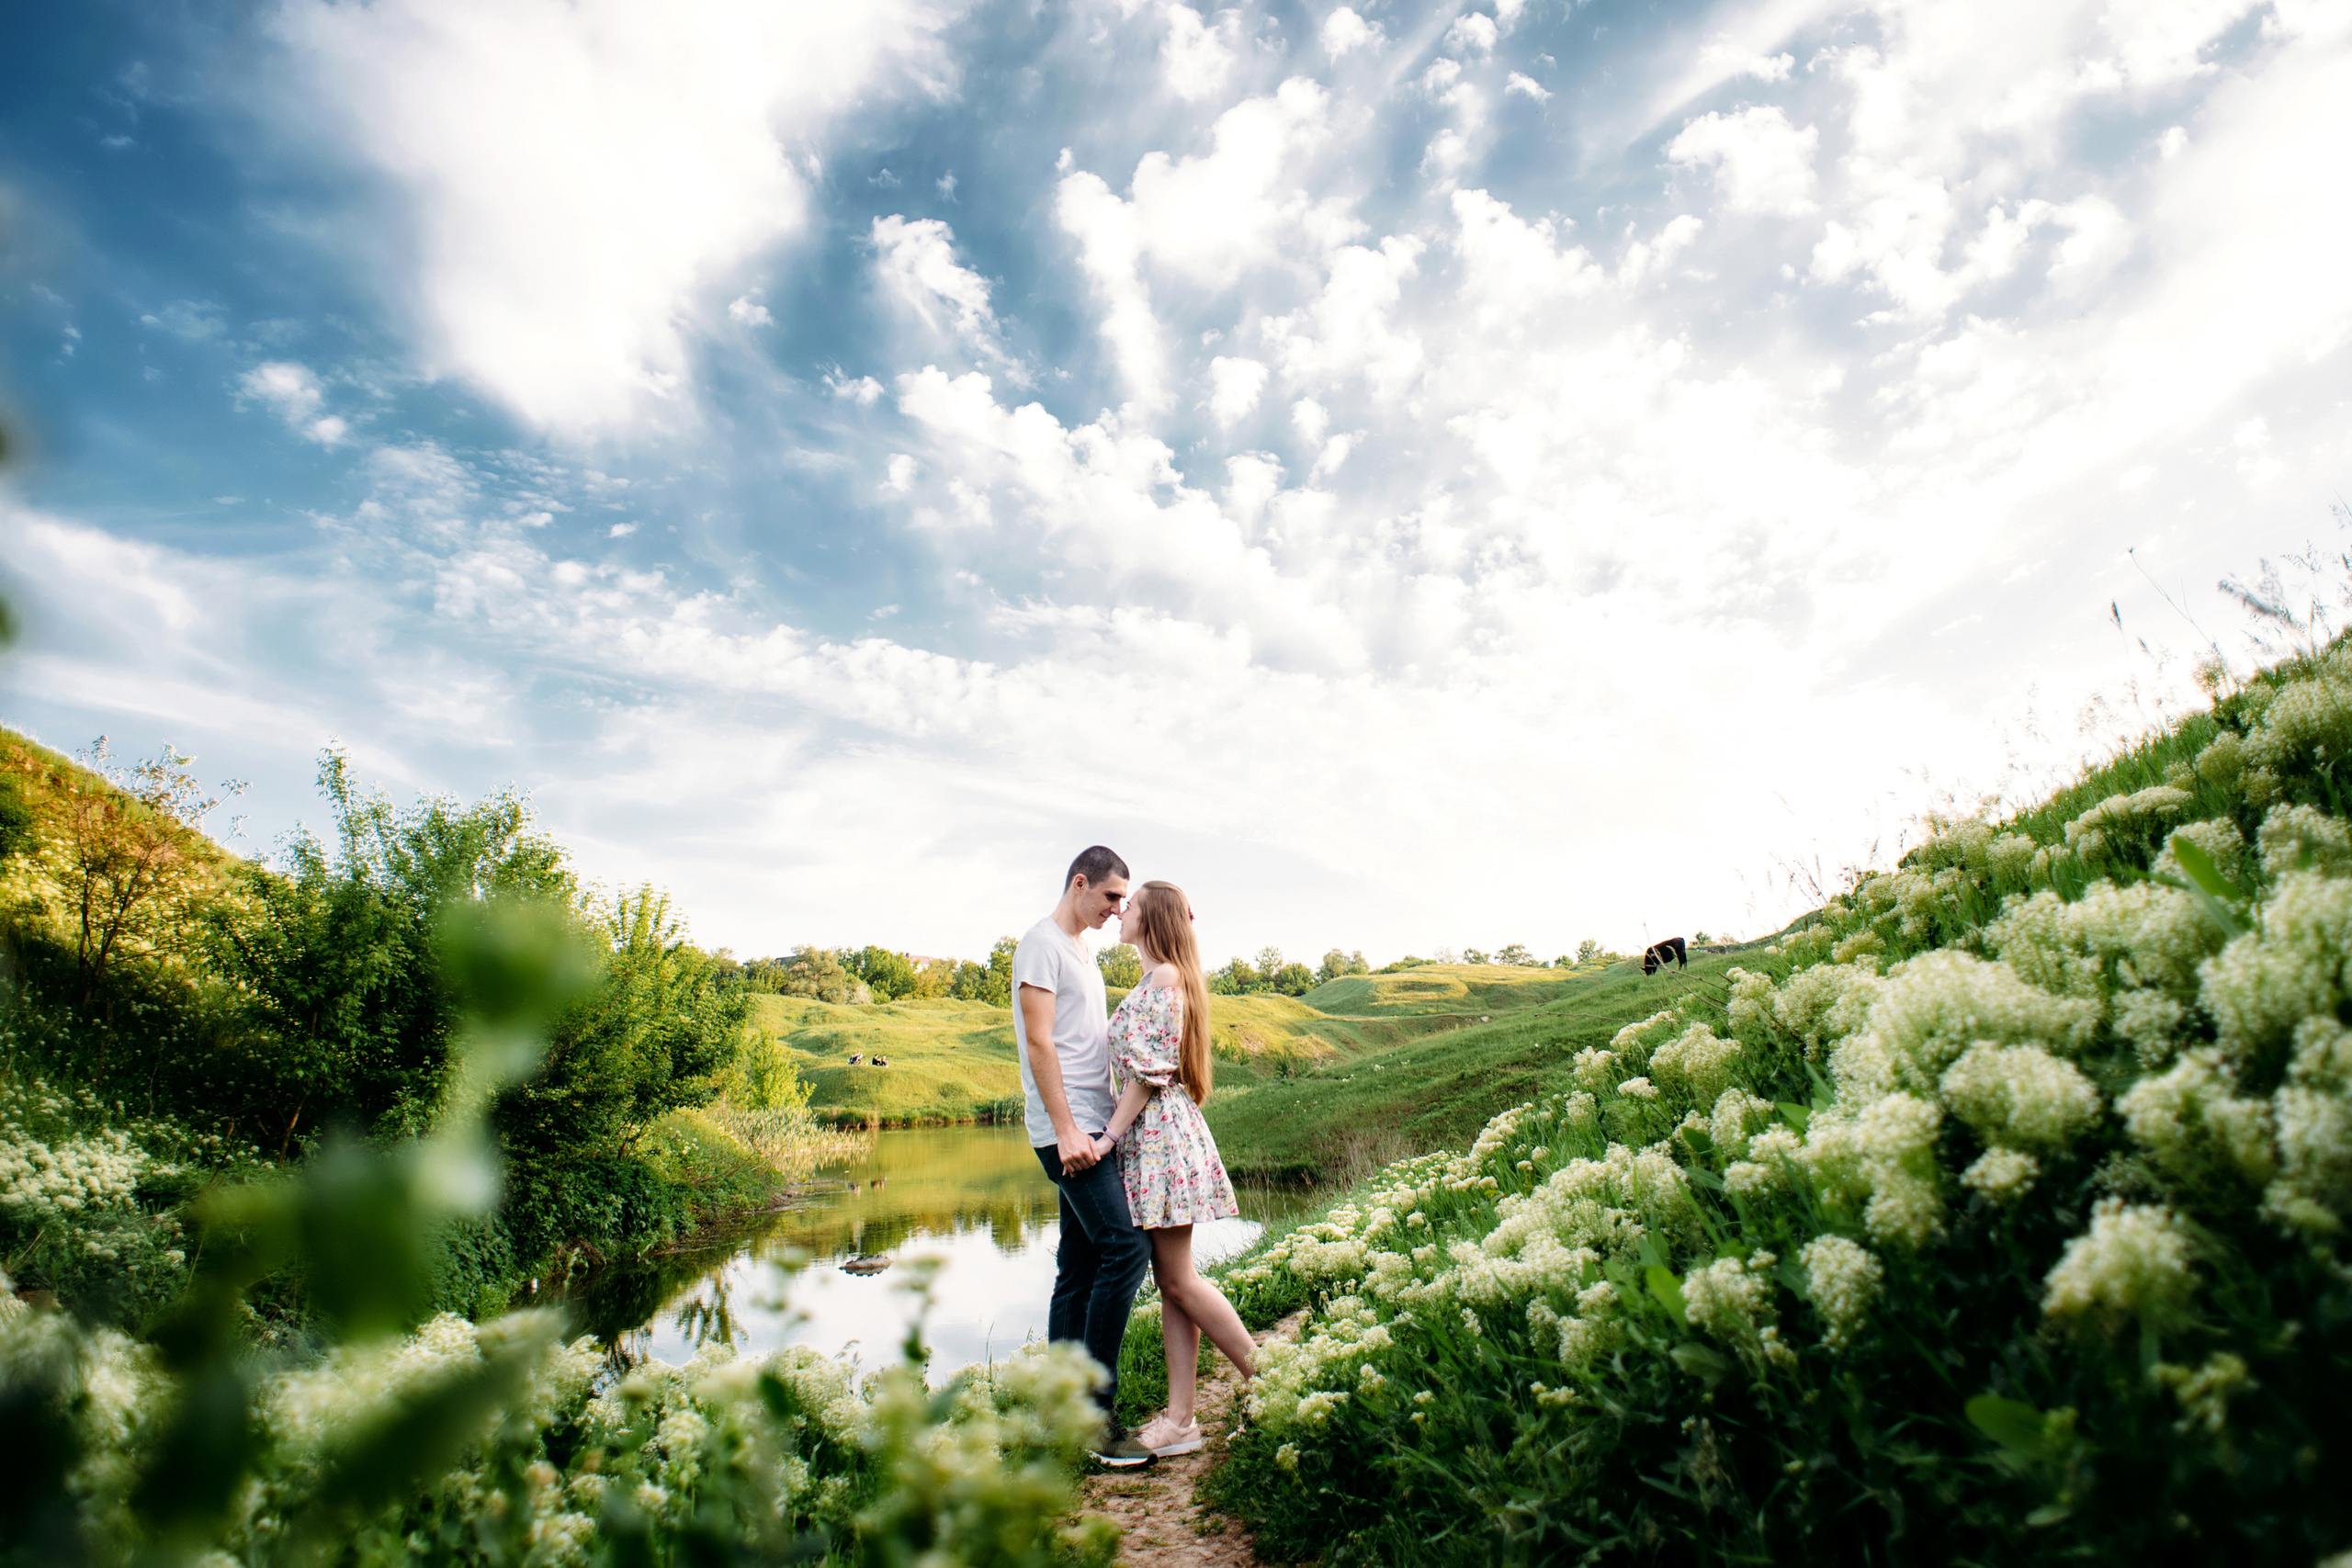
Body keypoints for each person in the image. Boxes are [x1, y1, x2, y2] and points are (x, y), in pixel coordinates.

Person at [1090, 879, 1253, 1459]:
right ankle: (1182, 1420)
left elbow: (1149, 1072)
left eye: (1128, 906)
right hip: (1154, 1137)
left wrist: (1110, 1136)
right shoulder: (1154, 976)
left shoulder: (1164, 978)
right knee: (1170, 1284)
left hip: (1157, 1135)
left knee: (1179, 1279)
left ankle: (1268, 1378)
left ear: (1153, 918)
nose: (1119, 913)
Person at [1014, 844, 1155, 1468]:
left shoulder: (1082, 951)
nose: (1117, 909)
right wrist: (1068, 1129)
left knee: (1078, 1265)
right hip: (1067, 1133)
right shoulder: (1041, 943)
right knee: (1126, 1248)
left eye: (1123, 900)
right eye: (1110, 897)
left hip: (1093, 1127)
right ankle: (1095, 1417)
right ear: (1079, 883)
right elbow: (1040, 1043)